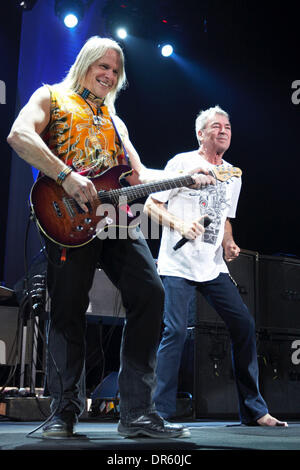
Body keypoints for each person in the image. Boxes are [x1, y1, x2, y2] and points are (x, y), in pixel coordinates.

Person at [7, 36, 214, 439]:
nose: (109, 75)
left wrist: (190, 177)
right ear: (85, 63)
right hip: (66, 218)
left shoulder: (115, 121)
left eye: (116, 71)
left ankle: (137, 412)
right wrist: (65, 175)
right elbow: (19, 135)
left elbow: (139, 177)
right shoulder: (50, 97)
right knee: (68, 310)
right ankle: (64, 411)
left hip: (115, 220)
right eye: (103, 66)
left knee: (151, 294)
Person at [144, 105, 288, 427]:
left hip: (212, 268)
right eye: (216, 126)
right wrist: (180, 226)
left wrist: (228, 243)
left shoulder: (233, 174)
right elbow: (153, 205)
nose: (223, 131)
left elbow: (225, 219)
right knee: (176, 331)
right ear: (201, 133)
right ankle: (159, 413)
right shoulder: (182, 163)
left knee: (244, 326)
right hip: (177, 265)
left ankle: (253, 410)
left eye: (227, 127)